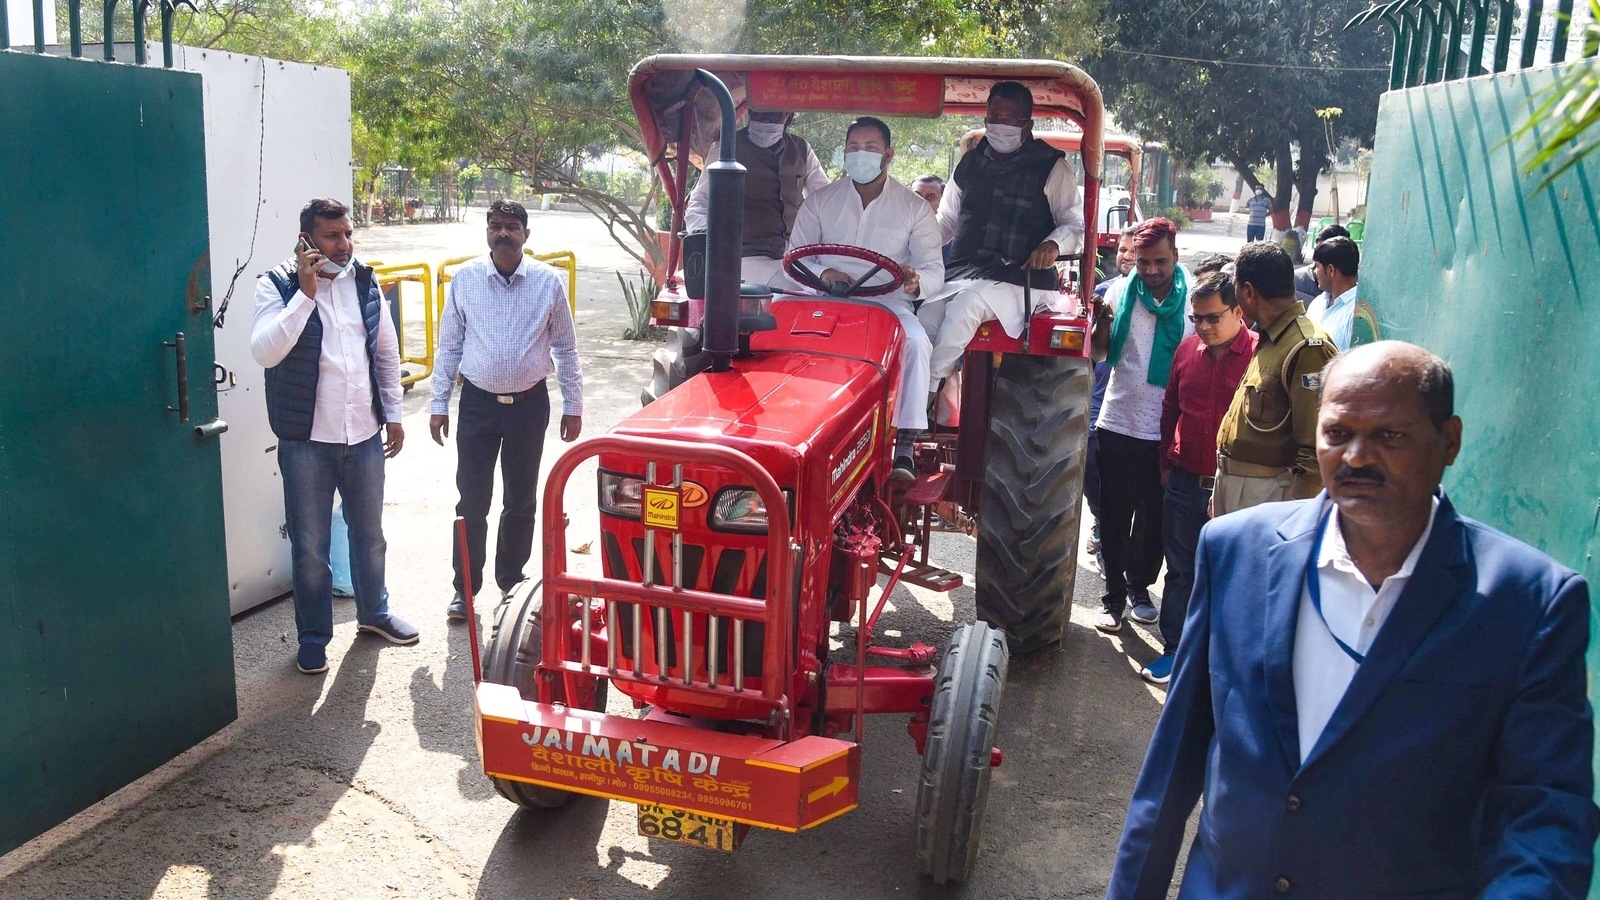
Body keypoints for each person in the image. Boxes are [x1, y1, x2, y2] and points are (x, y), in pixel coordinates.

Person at [1109, 341, 1599, 899]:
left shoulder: (1528, 603)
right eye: (1338, 434)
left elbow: (1546, 822)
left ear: (1451, 441)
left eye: (1389, 436)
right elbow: (1172, 765)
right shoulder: (1234, 551)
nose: (1357, 457)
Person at [250, 197, 417, 675]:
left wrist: (394, 413)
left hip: (363, 434)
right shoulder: (275, 285)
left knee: (370, 535)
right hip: (307, 440)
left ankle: (375, 615)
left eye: (348, 234)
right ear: (305, 240)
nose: (344, 245)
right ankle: (314, 639)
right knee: (311, 548)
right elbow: (265, 352)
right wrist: (305, 295)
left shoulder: (363, 278)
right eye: (332, 236)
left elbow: (385, 352)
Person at [431, 200, 584, 620]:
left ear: (526, 235)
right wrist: (438, 402)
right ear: (486, 232)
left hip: (528, 407)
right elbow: (449, 347)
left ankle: (511, 583)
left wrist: (574, 404)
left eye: (512, 227)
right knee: (472, 501)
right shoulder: (463, 280)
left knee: (521, 500)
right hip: (477, 406)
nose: (503, 233)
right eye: (496, 226)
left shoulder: (549, 283)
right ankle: (465, 589)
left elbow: (565, 348)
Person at [785, 116, 945, 479]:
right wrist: (825, 274)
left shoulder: (914, 208)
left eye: (870, 148)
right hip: (822, 300)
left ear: (888, 154)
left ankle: (904, 442)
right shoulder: (820, 201)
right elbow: (797, 255)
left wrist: (915, 281)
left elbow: (934, 269)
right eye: (853, 148)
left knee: (917, 344)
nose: (860, 155)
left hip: (886, 304)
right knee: (768, 326)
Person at [919, 81, 1085, 393]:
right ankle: (915, 388)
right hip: (966, 271)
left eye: (1011, 120)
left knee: (963, 309)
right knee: (927, 312)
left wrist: (1053, 244)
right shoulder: (969, 163)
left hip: (1022, 279)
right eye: (995, 118)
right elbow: (949, 219)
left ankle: (928, 389)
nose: (1001, 126)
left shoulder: (1051, 166)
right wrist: (916, 247)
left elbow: (1075, 224)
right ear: (985, 118)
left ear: (1028, 124)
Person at [1140, 270, 1255, 685]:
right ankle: (1176, 652)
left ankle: (1222, 663)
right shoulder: (1187, 351)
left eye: (1213, 317)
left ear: (1239, 312)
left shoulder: (1260, 356)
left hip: (1236, 488)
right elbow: (1170, 408)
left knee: (1232, 576)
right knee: (1182, 571)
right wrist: (1166, 465)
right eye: (1198, 319)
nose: (1204, 327)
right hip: (1186, 484)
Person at [1087, 218, 1195, 634]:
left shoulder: (1192, 300)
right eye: (1144, 262)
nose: (1150, 271)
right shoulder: (1119, 290)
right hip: (1118, 421)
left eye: (1159, 262)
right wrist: (1101, 323)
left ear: (1176, 257)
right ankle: (1112, 599)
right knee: (1114, 518)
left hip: (1168, 429)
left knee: (1154, 522)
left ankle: (1139, 591)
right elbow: (1099, 355)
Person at [1214, 242, 1339, 515]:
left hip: (1269, 496)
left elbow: (1317, 446)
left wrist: (1296, 516)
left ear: (1248, 291)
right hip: (1242, 489)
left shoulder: (1306, 346)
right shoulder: (1272, 336)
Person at [685, 110, 829, 284]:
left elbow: (824, 198)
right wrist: (708, 235)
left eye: (773, 115)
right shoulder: (726, 148)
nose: (765, 120)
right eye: (759, 114)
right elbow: (700, 200)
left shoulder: (801, 149)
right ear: (750, 113)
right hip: (745, 256)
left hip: (793, 253)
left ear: (788, 117)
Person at [1085, 227, 1139, 572]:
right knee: (1092, 469)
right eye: (1122, 250)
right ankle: (1101, 523)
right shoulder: (1104, 295)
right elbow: (1093, 352)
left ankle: (1116, 548)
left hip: (1135, 404)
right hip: (1099, 396)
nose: (1126, 256)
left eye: (1133, 251)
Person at [1307, 236, 1360, 350]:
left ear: (1331, 270)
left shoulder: (1356, 313)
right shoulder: (1318, 302)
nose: (1315, 272)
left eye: (1317, 266)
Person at [1295, 223, 1348, 300]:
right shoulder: (1296, 281)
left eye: (1326, 252)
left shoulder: (1355, 283)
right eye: (1317, 250)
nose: (1319, 255)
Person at [912, 174, 953, 265]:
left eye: (930, 198)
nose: (922, 203)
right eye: (916, 196)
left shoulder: (949, 245)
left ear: (942, 201)